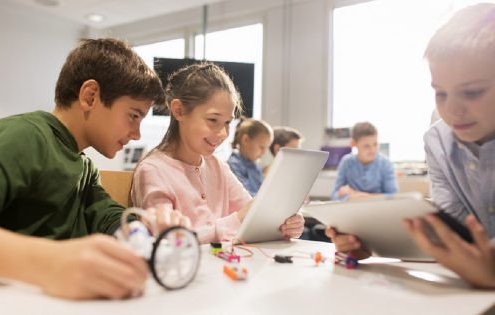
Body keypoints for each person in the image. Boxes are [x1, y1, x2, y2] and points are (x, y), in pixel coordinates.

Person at [0, 38, 190, 300]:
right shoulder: (25, 136)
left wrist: (142, 227)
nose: (136, 134)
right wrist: (48, 262)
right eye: (133, 115)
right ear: (90, 96)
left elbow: (105, 214)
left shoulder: (83, 165)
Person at [327, 4, 495, 288]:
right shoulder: (438, 141)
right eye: (440, 93)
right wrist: (378, 241)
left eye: (472, 92)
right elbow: (454, 231)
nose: (451, 109)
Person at [131, 63, 305, 243]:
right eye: (213, 120)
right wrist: (236, 220)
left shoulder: (217, 166)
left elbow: (252, 215)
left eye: (228, 122)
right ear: (179, 111)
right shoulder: (153, 170)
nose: (223, 133)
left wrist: (286, 224)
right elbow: (167, 241)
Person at [330, 121, 398, 201]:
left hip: (379, 210)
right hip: (353, 210)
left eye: (375, 144)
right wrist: (348, 196)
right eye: (366, 146)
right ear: (353, 143)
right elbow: (334, 195)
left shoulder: (385, 163)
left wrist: (357, 195)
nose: (372, 150)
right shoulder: (346, 163)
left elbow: (393, 196)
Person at [227, 118, 273, 196]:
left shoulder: (255, 166)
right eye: (261, 147)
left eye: (266, 148)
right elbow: (245, 196)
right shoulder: (233, 165)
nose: (264, 152)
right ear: (245, 140)